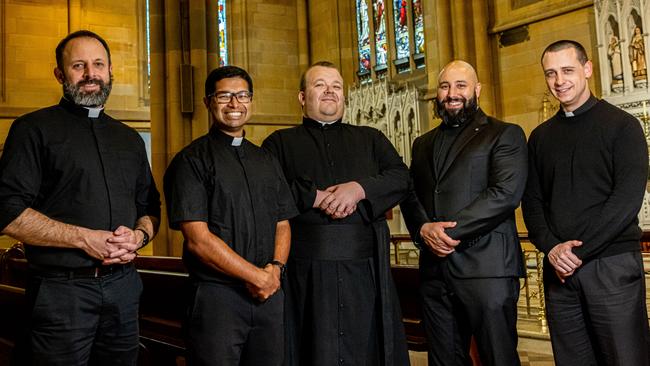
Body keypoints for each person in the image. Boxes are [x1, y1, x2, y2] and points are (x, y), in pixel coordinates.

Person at [0, 30, 161, 365]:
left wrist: (139, 236)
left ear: (110, 71)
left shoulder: (129, 139)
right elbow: (7, 210)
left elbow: (150, 208)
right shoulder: (32, 129)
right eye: (79, 65)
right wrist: (83, 239)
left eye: (98, 64)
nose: (91, 73)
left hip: (124, 290)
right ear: (60, 74)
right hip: (61, 293)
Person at [262, 61, 410, 366]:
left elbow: (401, 177)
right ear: (302, 97)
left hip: (364, 274)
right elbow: (265, 190)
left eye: (336, 86)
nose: (330, 92)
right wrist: (314, 197)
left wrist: (358, 189)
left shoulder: (371, 139)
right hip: (305, 274)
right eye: (320, 85)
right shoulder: (278, 143)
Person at [522, 40, 650, 366]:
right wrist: (552, 248)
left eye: (567, 70)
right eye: (550, 73)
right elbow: (532, 203)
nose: (559, 81)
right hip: (559, 272)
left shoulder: (623, 126)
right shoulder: (540, 137)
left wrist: (575, 253)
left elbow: (625, 201)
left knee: (625, 359)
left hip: (610, 266)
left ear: (587, 69)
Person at [163, 65, 298, 366]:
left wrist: (275, 270)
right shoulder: (191, 161)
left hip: (268, 295)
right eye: (224, 96)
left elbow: (283, 223)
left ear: (251, 100)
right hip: (217, 299)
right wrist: (257, 277)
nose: (234, 104)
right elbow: (198, 239)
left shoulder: (267, 159)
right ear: (208, 102)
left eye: (242, 95)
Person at [400, 60, 527, 366]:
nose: (451, 93)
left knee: (497, 358)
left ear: (477, 90)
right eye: (445, 86)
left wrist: (446, 232)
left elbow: (505, 194)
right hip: (435, 272)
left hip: (488, 269)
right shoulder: (422, 144)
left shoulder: (504, 134)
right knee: (443, 359)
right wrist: (422, 230)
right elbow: (410, 193)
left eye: (460, 85)